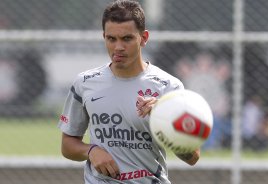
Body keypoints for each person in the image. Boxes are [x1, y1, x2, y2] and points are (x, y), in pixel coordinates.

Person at [58, 0, 200, 183]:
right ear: (104, 37)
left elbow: (193, 157)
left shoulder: (169, 87)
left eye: (127, 38)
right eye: (111, 39)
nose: (118, 47)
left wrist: (167, 119)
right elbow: (67, 145)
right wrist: (91, 151)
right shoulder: (84, 83)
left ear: (144, 38)